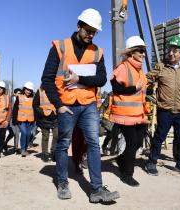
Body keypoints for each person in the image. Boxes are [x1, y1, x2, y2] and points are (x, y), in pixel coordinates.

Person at [41, 8, 119, 202]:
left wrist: (80, 78)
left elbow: (101, 79)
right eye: (88, 30)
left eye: (94, 32)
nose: (91, 34)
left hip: (88, 105)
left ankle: (96, 189)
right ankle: (62, 183)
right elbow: (47, 79)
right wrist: (58, 104)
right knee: (63, 144)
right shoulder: (60, 47)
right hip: (66, 105)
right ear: (79, 26)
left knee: (93, 143)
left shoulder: (97, 52)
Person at [145, 35, 180, 176]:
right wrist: (149, 93)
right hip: (165, 110)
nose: (171, 53)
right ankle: (151, 162)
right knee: (159, 137)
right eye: (169, 50)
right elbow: (147, 79)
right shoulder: (161, 66)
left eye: (175, 51)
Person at [109, 36, 148, 187]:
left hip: (138, 113)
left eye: (144, 51)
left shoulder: (139, 69)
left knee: (138, 141)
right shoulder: (123, 67)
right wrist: (134, 88)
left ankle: (121, 159)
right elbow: (115, 88)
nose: (143, 54)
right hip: (124, 114)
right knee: (132, 143)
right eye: (140, 51)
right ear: (132, 52)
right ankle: (127, 174)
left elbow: (142, 89)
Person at [33, 85, 58, 162]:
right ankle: (45, 154)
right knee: (45, 137)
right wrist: (42, 112)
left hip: (55, 117)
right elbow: (35, 105)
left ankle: (53, 153)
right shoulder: (40, 92)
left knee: (57, 135)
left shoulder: (57, 90)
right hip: (44, 118)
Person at [12, 81, 35, 157]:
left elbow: (35, 109)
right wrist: (14, 119)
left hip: (30, 120)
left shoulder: (33, 98)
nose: (28, 91)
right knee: (24, 133)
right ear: (24, 89)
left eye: (30, 90)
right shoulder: (19, 97)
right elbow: (15, 109)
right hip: (20, 119)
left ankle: (25, 149)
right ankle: (22, 150)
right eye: (27, 89)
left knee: (28, 134)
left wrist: (36, 119)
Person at [0, 81, 12, 161]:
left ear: (4, 89)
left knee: (1, 137)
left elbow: (10, 109)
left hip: (3, 121)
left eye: (2, 88)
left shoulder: (7, 97)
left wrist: (7, 120)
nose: (0, 89)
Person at [5, 88, 21, 154]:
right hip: (10, 119)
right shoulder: (10, 99)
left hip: (18, 119)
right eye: (18, 93)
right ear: (14, 94)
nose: (19, 94)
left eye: (20, 93)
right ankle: (5, 143)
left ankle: (16, 148)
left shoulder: (21, 100)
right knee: (12, 133)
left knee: (17, 133)